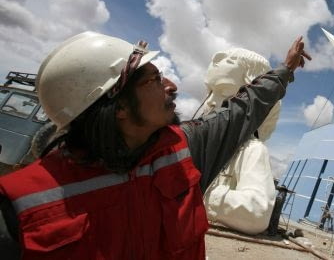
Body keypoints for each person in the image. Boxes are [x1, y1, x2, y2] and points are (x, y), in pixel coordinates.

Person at [0, 31, 310, 259]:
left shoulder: (183, 149)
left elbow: (245, 108)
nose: (171, 86)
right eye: (152, 80)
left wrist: (285, 70)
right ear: (117, 107)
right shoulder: (19, 207)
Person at [202, 48, 281, 235]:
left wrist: (199, 195)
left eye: (224, 91)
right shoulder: (200, 142)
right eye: (209, 91)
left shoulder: (251, 150)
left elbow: (257, 212)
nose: (211, 101)